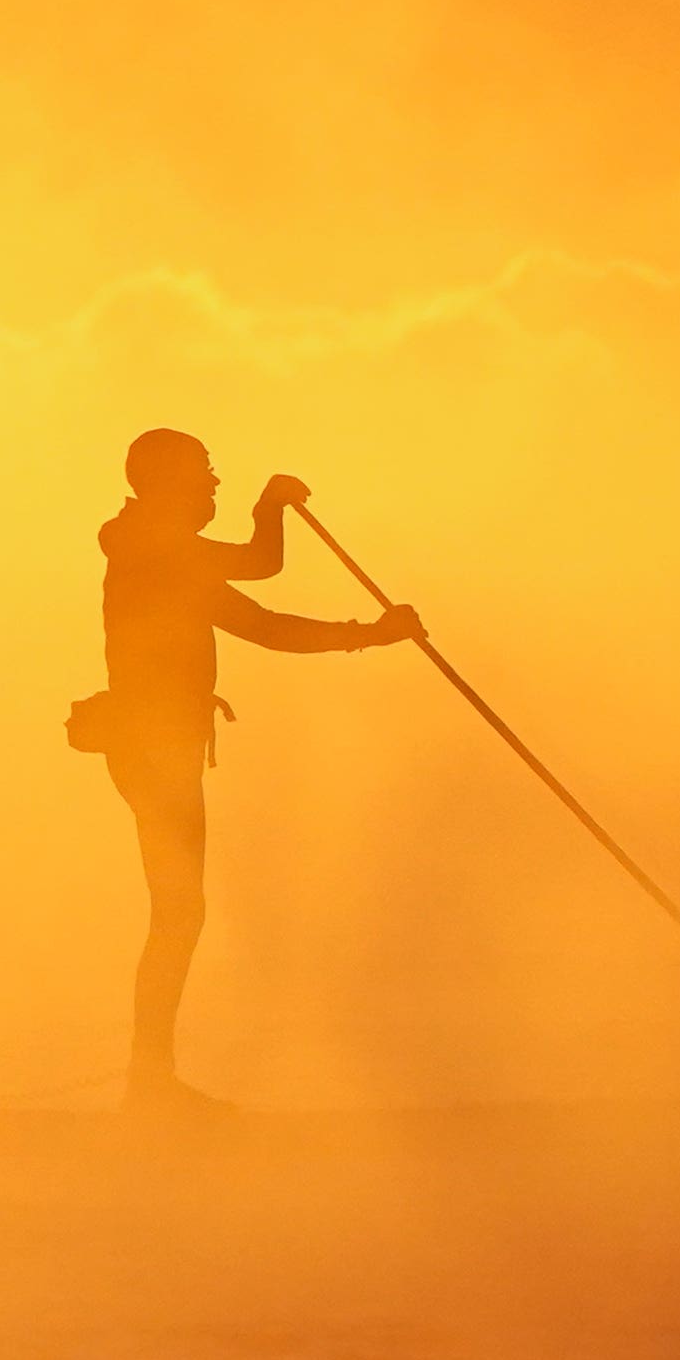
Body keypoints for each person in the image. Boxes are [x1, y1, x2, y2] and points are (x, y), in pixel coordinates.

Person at [85, 429, 420, 1109]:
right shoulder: (157, 549)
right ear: (167, 483)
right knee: (178, 910)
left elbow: (258, 600)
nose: (213, 484)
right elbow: (265, 591)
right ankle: (149, 1084)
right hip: (154, 747)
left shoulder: (154, 549)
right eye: (203, 474)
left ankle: (150, 1079)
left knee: (178, 910)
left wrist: (365, 631)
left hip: (156, 744)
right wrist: (367, 631)